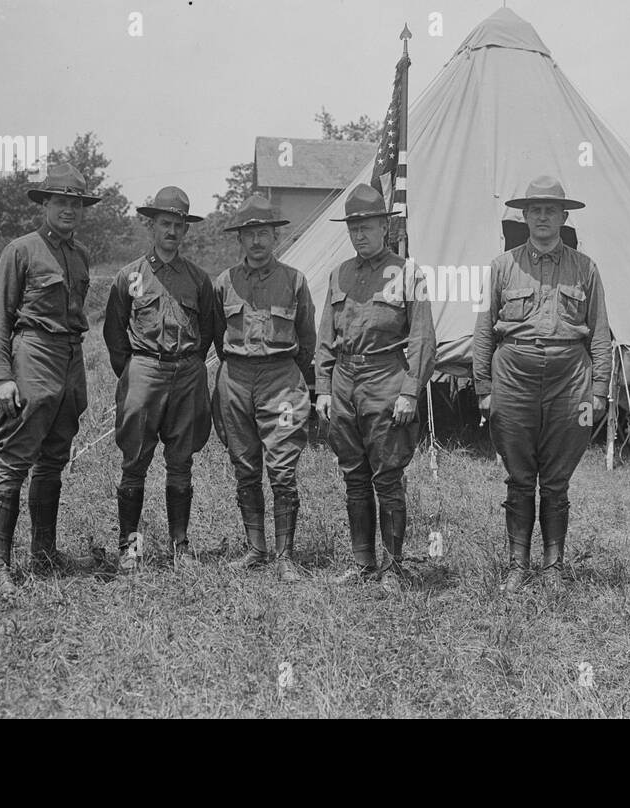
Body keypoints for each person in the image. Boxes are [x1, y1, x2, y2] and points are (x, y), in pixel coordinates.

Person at [471, 175, 612, 593]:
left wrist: (599, 390)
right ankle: (518, 564)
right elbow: (483, 330)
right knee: (518, 475)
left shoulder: (585, 268)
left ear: (564, 216)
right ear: (525, 216)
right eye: (536, 210)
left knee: (556, 477)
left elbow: (600, 331)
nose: (543, 217)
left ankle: (554, 566)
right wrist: (484, 387)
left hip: (570, 377)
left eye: (552, 210)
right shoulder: (502, 266)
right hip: (513, 373)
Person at [0, 162, 101, 597]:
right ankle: (0, 566)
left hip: (70, 358)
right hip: (33, 352)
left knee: (53, 459)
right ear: (46, 204)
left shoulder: (81, 255)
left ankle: (44, 552)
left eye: (76, 203)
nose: (69, 210)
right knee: (15, 458)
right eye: (61, 202)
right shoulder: (21, 250)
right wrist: (2, 378)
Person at [314, 184, 436, 594]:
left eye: (366, 225)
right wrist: (323, 388)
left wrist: (410, 390)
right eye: (353, 227)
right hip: (345, 381)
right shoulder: (339, 274)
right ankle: (363, 562)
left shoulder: (409, 273)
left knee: (387, 476)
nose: (359, 234)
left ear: (385, 226)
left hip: (386, 378)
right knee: (353, 474)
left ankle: (394, 567)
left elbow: (422, 338)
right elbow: (326, 338)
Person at [103, 187, 216, 572]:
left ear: (186, 230)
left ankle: (179, 547)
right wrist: (135, 371)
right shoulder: (130, 276)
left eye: (178, 224)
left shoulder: (199, 280)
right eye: (165, 223)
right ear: (151, 226)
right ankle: (129, 547)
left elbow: (211, 328)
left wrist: (189, 365)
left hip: (186, 372)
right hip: (144, 369)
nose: (171, 230)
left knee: (181, 461)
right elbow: (114, 332)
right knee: (135, 460)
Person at [212, 195, 316, 582]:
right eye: (249, 234)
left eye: (264, 234)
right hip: (236, 379)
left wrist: (292, 375)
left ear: (275, 237)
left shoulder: (294, 280)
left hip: (281, 380)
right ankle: (256, 549)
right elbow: (215, 335)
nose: (256, 241)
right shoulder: (226, 282)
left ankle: (285, 555)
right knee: (244, 465)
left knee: (283, 468)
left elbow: (307, 339)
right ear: (240, 239)